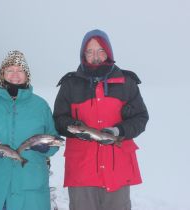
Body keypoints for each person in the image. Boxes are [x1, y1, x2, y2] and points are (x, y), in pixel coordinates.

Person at [53, 29, 149, 210]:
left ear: (109, 52)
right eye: (89, 51)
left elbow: (141, 117)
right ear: (83, 54)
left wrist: (118, 130)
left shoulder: (126, 82)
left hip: (118, 169)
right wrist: (75, 129)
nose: (95, 56)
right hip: (82, 170)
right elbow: (58, 119)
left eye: (100, 50)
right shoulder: (69, 84)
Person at [0, 50, 59, 210]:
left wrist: (47, 148)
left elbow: (54, 140)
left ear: (27, 74)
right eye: (10, 70)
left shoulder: (40, 106)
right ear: (2, 74)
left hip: (29, 185)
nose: (15, 74)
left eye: (20, 70)